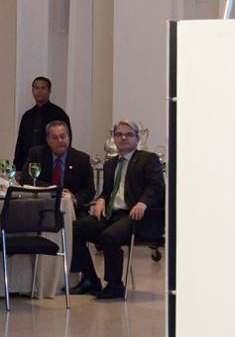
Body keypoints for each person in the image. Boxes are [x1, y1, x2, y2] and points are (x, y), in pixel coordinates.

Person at [68, 121, 165, 301]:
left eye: (129, 134)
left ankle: (115, 285)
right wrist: (101, 200)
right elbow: (107, 191)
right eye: (119, 134)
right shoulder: (110, 164)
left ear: (137, 138)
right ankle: (90, 279)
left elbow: (156, 186)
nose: (123, 138)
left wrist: (143, 203)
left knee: (109, 236)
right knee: (74, 229)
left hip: (137, 215)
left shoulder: (148, 159)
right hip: (112, 214)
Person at [14, 77, 71, 170]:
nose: (39, 91)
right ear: (32, 91)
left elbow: (66, 141)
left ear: (49, 91)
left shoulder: (59, 114)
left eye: (43, 88)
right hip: (29, 164)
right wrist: (18, 167)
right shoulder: (27, 116)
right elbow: (20, 142)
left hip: (51, 164)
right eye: (36, 88)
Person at [24, 118, 92, 193]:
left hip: (69, 199)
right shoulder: (37, 154)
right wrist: (52, 189)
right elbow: (25, 179)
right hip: (44, 198)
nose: (60, 141)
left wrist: (74, 198)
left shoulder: (82, 159)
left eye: (63, 136)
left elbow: (89, 190)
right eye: (55, 138)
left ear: (69, 137)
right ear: (48, 140)